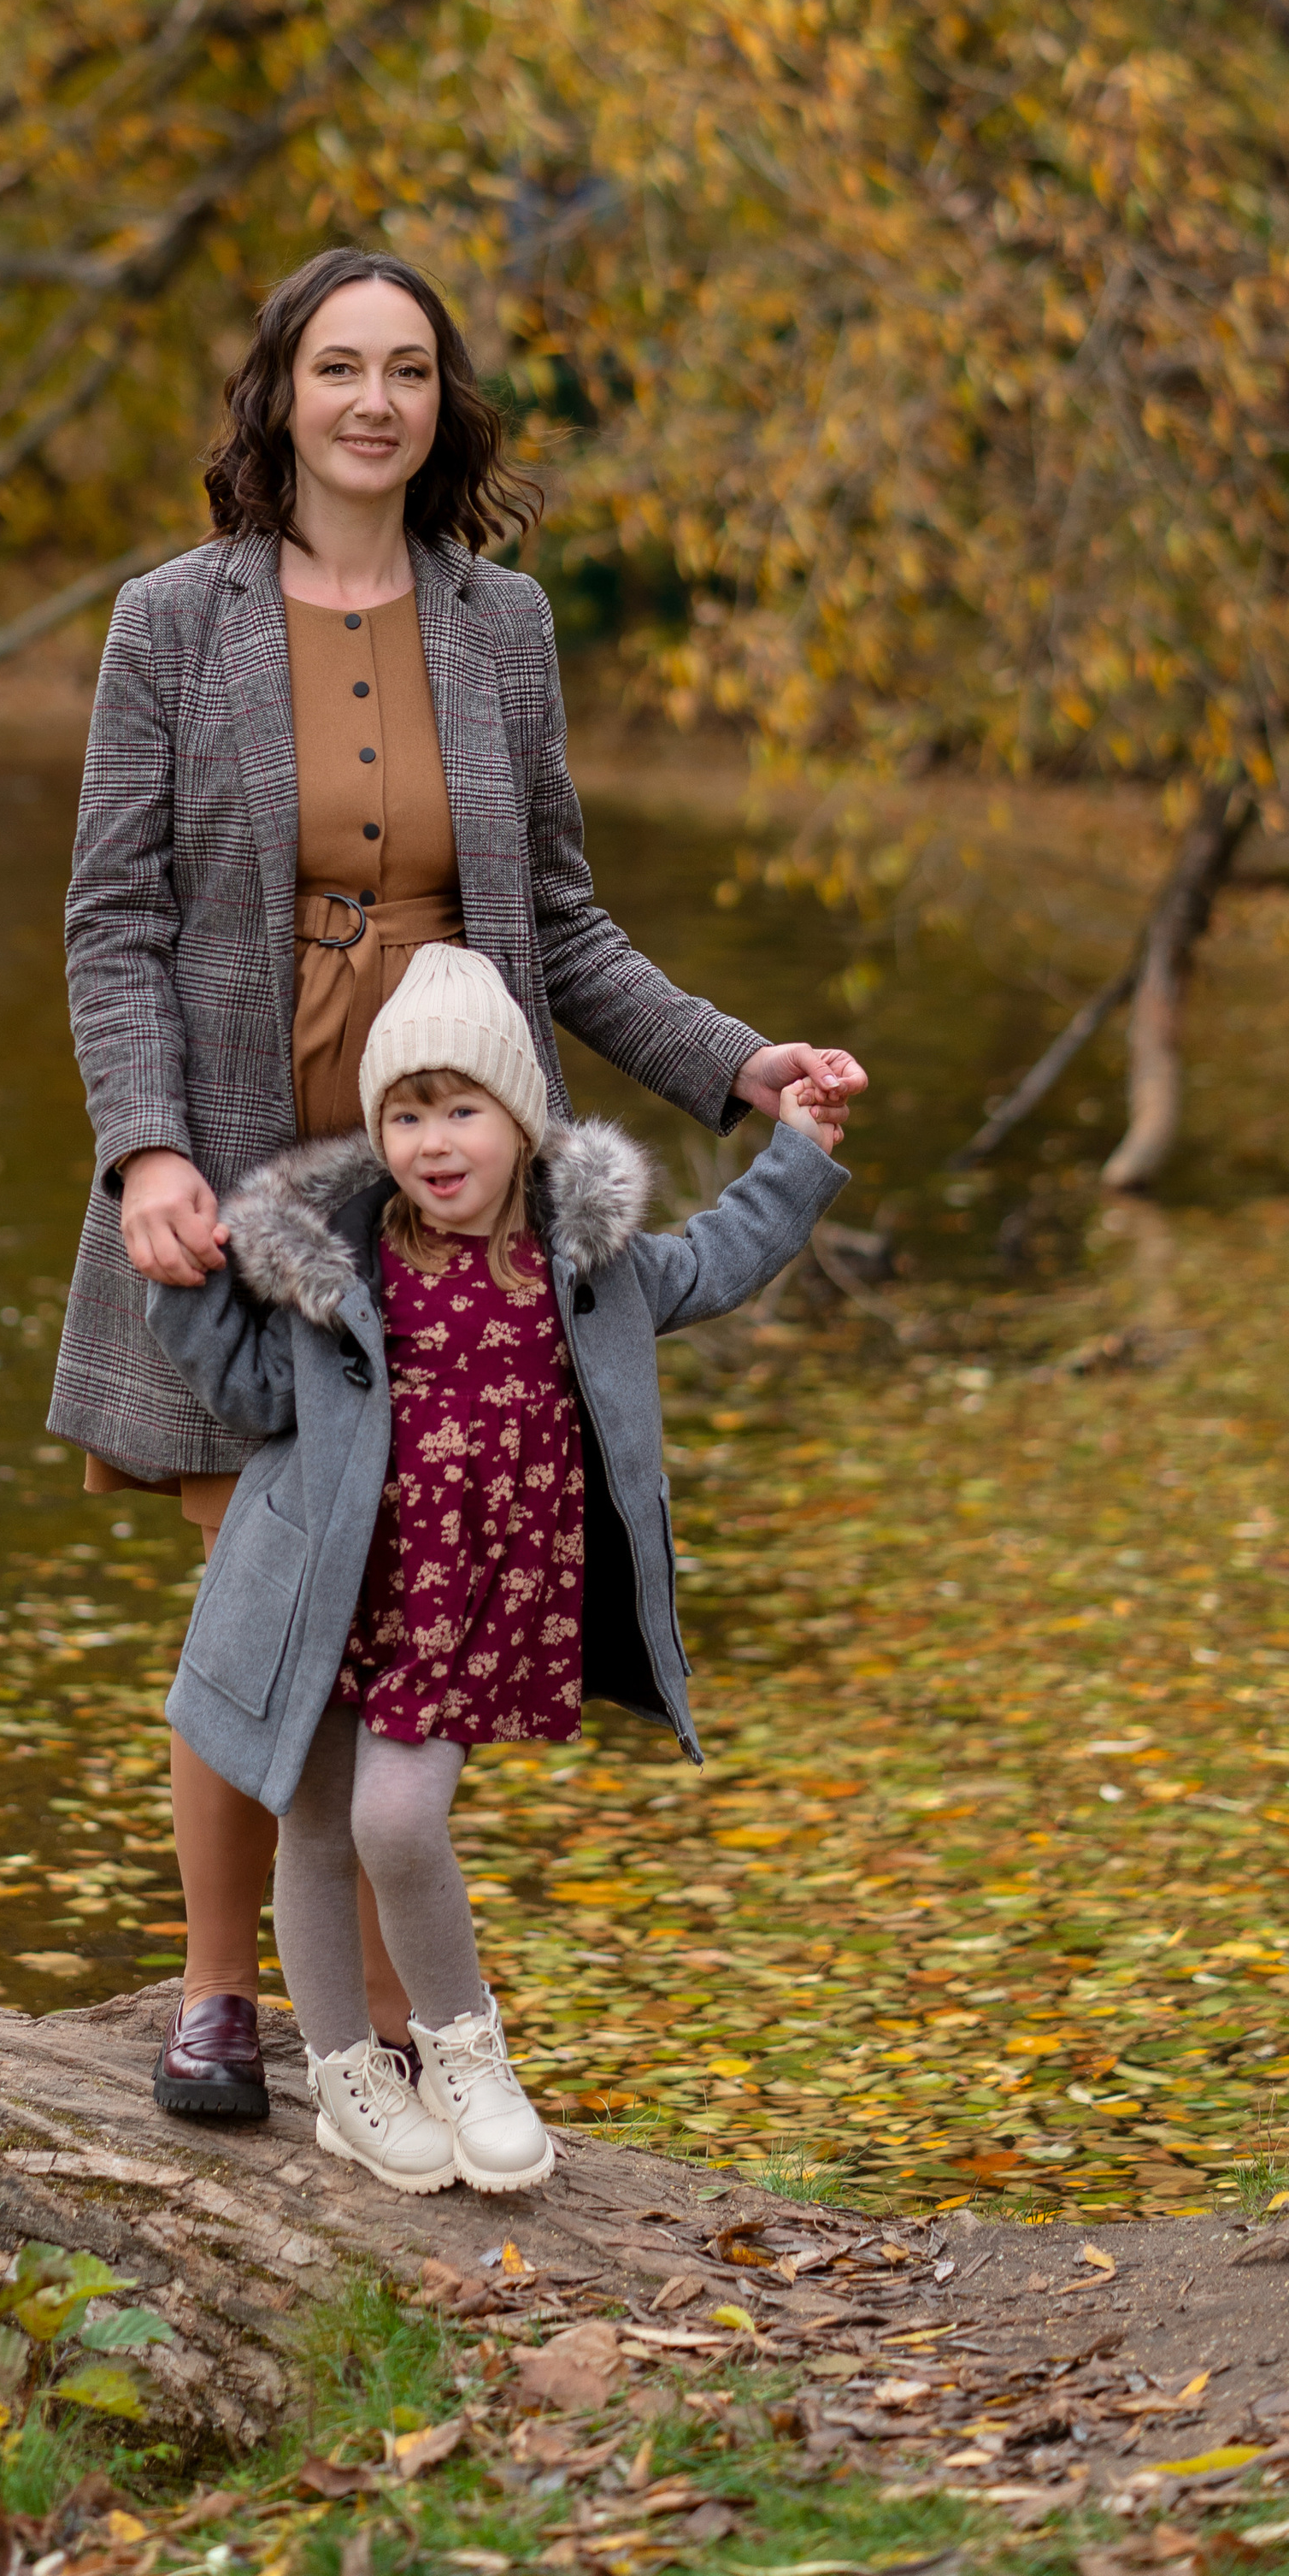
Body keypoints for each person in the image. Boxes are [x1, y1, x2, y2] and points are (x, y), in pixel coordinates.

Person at [45, 245, 865, 2124]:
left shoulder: (500, 625)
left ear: (440, 406)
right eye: (337, 367)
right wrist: (143, 1146)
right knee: (267, 1609)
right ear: (277, 396)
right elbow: (112, 928)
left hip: (455, 1187)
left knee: (401, 1590)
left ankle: (410, 2037)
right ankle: (219, 2002)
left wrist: (736, 1065)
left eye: (405, 371)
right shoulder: (168, 622)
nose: (370, 402)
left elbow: (559, 927)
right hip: (240, 1178)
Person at [146, 943, 852, 2194]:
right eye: (406, 1114)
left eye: (461, 1107)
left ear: (521, 1125)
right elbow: (253, 1391)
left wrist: (796, 1148)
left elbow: (724, 1256)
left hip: (464, 1607)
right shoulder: (342, 1268)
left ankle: (464, 2046)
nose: (434, 1139)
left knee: (398, 1819)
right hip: (330, 1590)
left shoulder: (587, 1268)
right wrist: (182, 1288)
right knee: (314, 1828)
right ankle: (350, 2078)